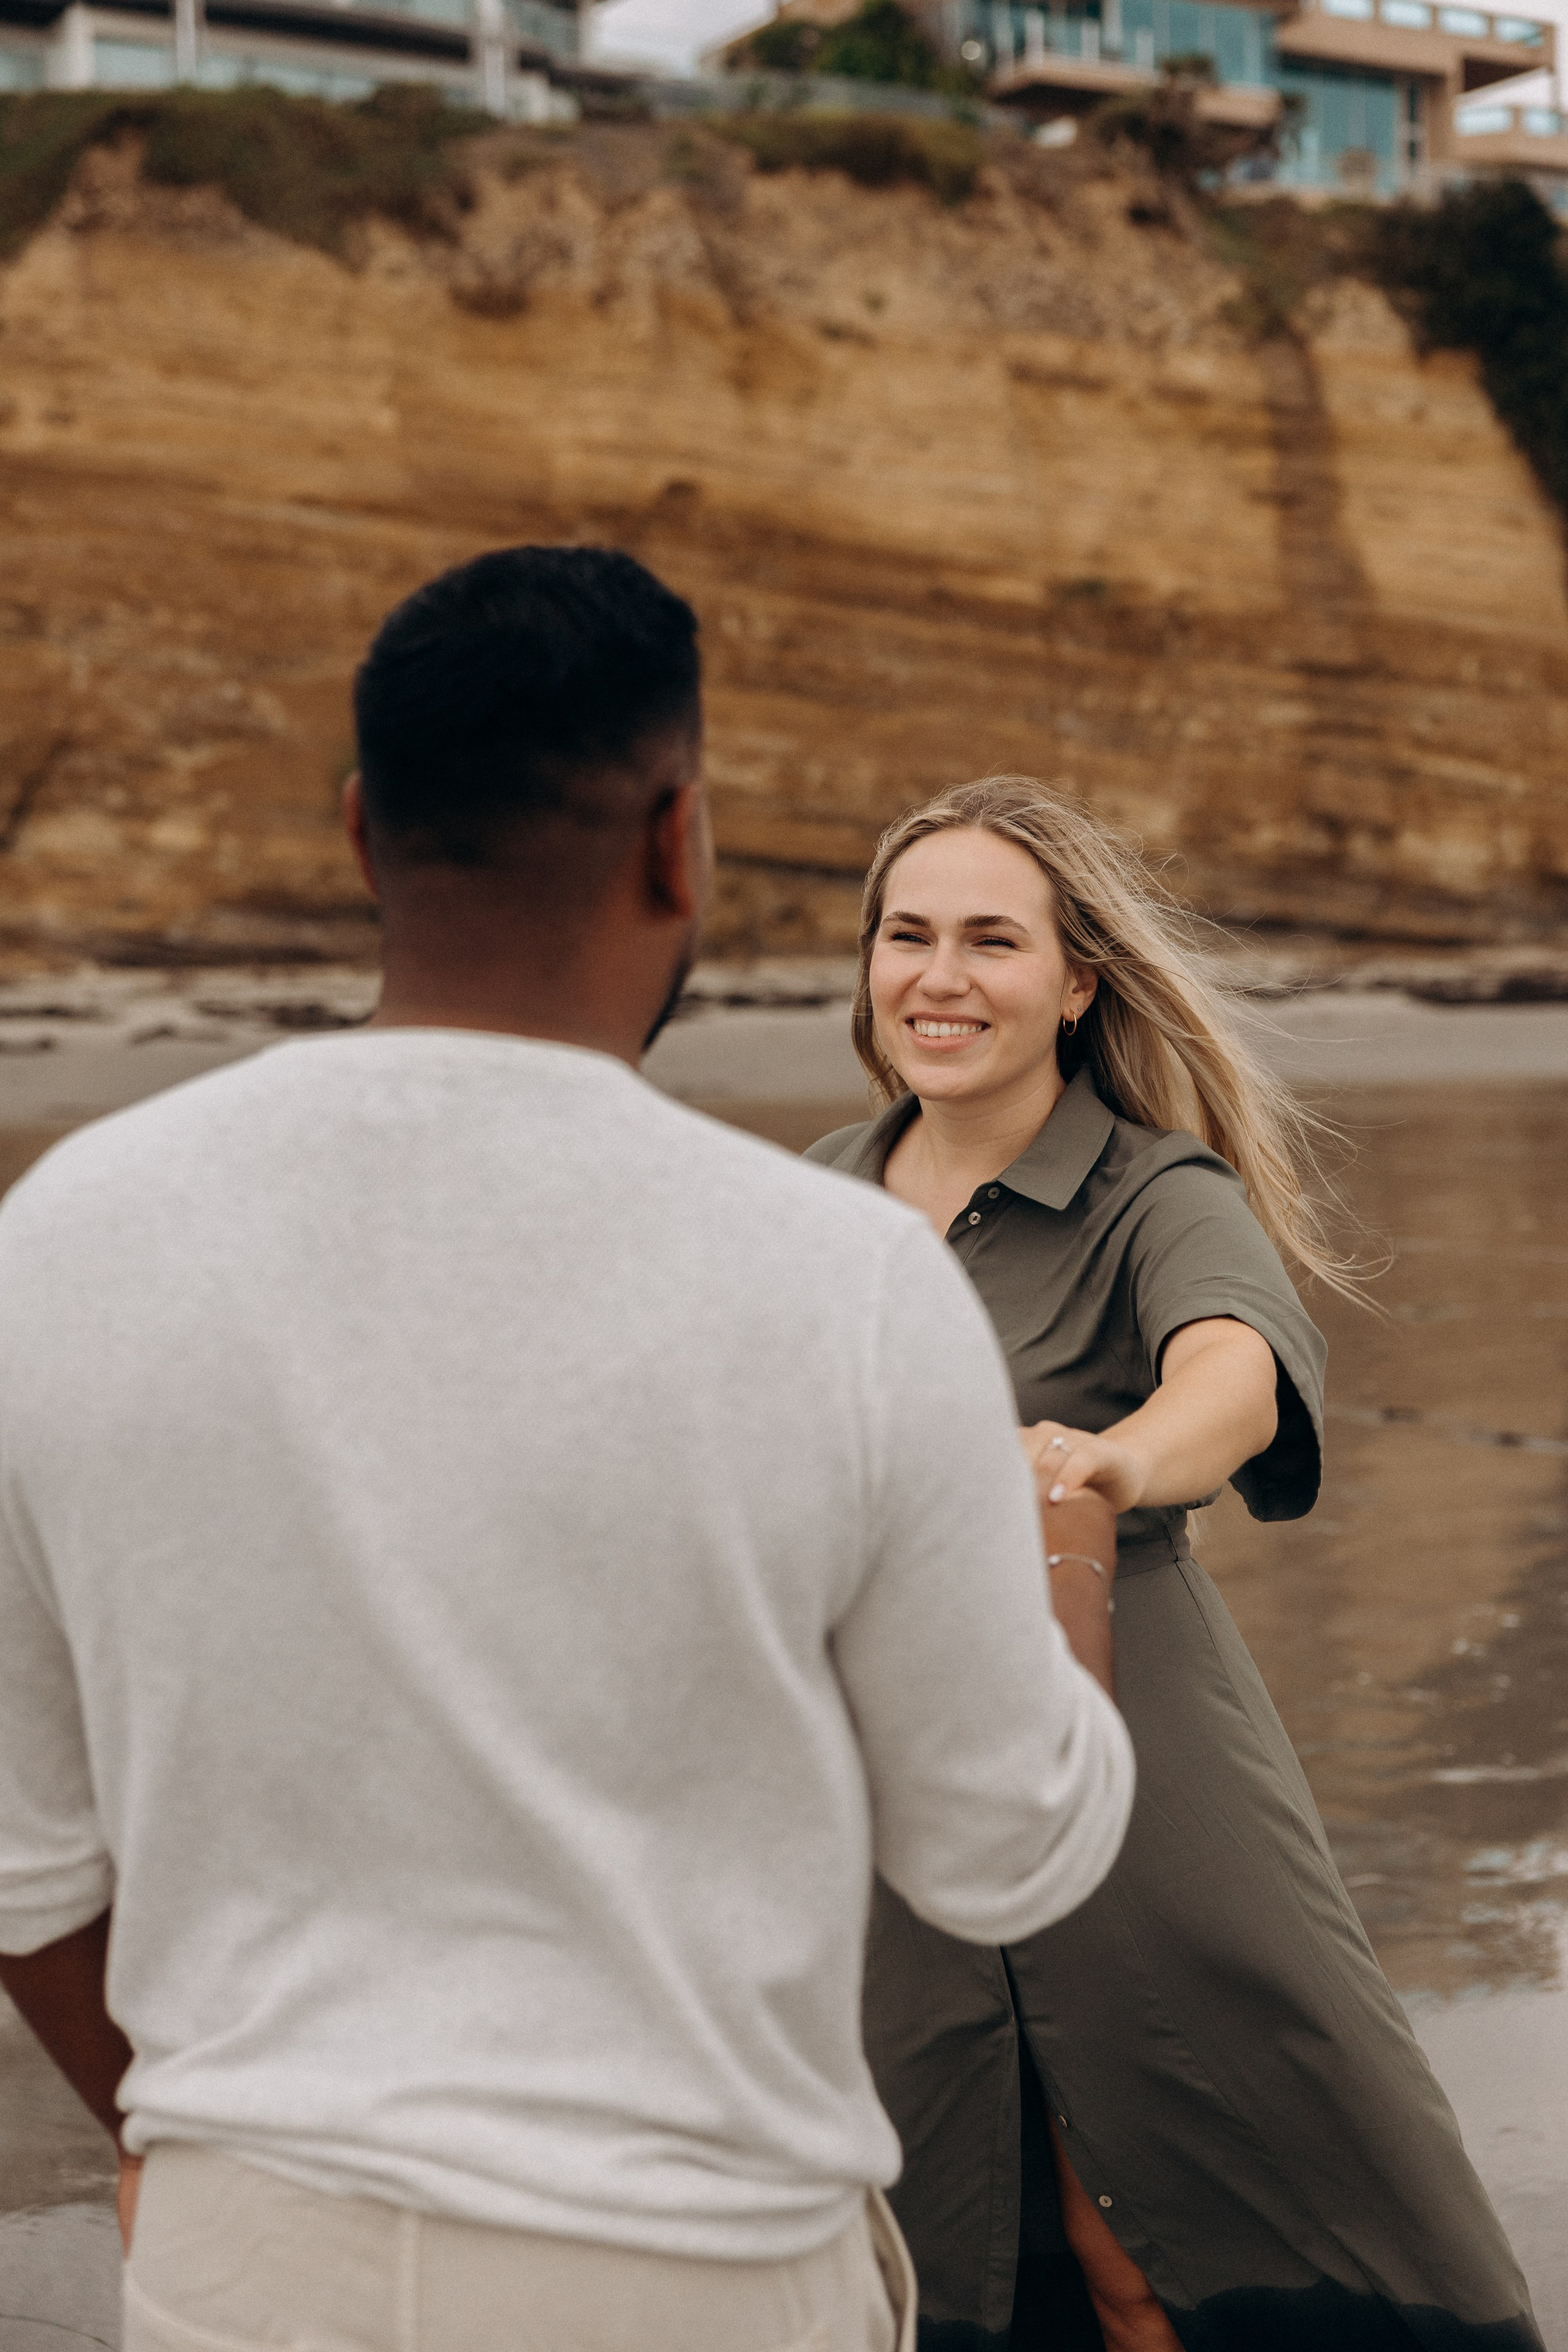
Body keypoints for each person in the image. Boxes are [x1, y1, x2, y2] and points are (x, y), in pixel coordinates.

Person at [0, 552, 1136, 2352]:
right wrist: (1066, 1565)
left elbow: (19, 1860)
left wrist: (194, 2137)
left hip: (244, 2267)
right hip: (691, 2275)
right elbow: (1006, 1853)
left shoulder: (66, 1236)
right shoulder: (845, 1285)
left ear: (366, 836)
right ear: (679, 839)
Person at [806, 777, 1543, 2352]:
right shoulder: (810, 1205)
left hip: (1135, 1760)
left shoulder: (1156, 1191)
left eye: (991, 941)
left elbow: (1234, 1371)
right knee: (941, 2229)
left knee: (1158, 2239)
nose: (937, 977)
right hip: (879, 1789)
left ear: (1076, 982)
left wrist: (1111, 1458)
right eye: (906, 934)